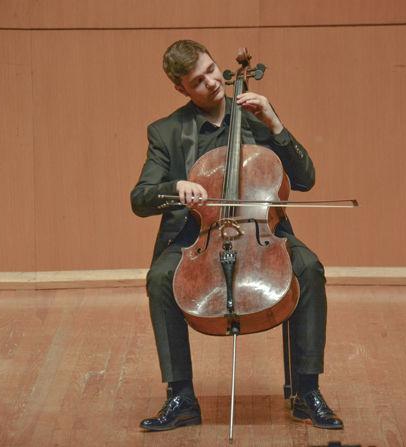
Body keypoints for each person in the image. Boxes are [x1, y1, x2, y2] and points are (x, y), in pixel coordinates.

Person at [130, 39, 343, 431]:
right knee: (160, 278)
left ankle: (307, 391)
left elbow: (306, 179)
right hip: (199, 236)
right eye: (198, 80)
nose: (212, 83)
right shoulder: (166, 132)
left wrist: (275, 124)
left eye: (212, 70)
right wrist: (176, 186)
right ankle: (181, 396)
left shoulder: (257, 117)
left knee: (309, 268)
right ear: (181, 89)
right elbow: (140, 198)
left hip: (262, 232)